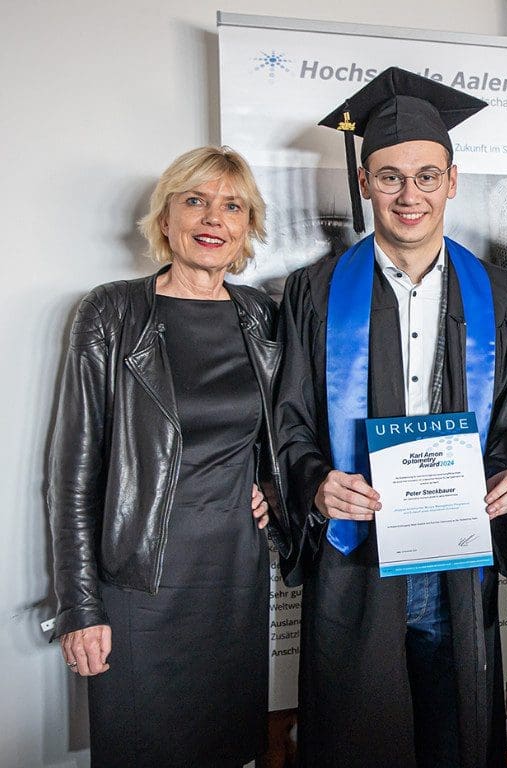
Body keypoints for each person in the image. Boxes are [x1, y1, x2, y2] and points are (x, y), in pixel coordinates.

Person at [274, 67, 507, 768]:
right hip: (357, 558)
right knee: (361, 732)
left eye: (426, 176)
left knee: (456, 730)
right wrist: (315, 482)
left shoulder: (500, 295)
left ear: (453, 182)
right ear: (364, 184)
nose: (409, 194)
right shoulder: (317, 291)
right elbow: (291, 418)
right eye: (389, 177)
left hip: (457, 559)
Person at [48, 146, 292, 767]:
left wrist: (268, 481)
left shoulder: (262, 316)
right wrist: (80, 606)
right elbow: (72, 476)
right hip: (139, 583)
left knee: (226, 750)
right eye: (196, 200)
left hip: (233, 581)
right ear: (166, 219)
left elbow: (281, 430)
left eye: (231, 205)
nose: (213, 218)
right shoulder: (112, 312)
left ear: (247, 228)